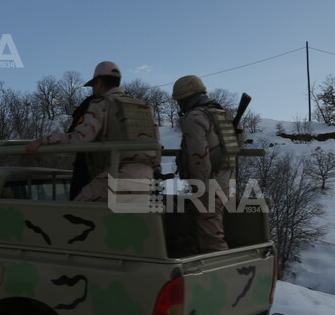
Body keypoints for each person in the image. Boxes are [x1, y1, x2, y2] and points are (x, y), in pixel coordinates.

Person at [26, 61, 160, 202]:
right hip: (148, 180)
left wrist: (43, 140)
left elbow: (78, 139)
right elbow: (156, 144)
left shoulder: (100, 104)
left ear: (99, 83)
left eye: (93, 85)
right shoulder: (144, 107)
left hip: (117, 177)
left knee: (73, 213)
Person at [173, 74, 243, 253]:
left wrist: (200, 189)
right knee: (186, 231)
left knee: (211, 241)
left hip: (207, 185)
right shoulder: (222, 114)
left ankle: (227, 278)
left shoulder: (194, 117)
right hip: (225, 181)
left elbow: (198, 158)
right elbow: (239, 142)